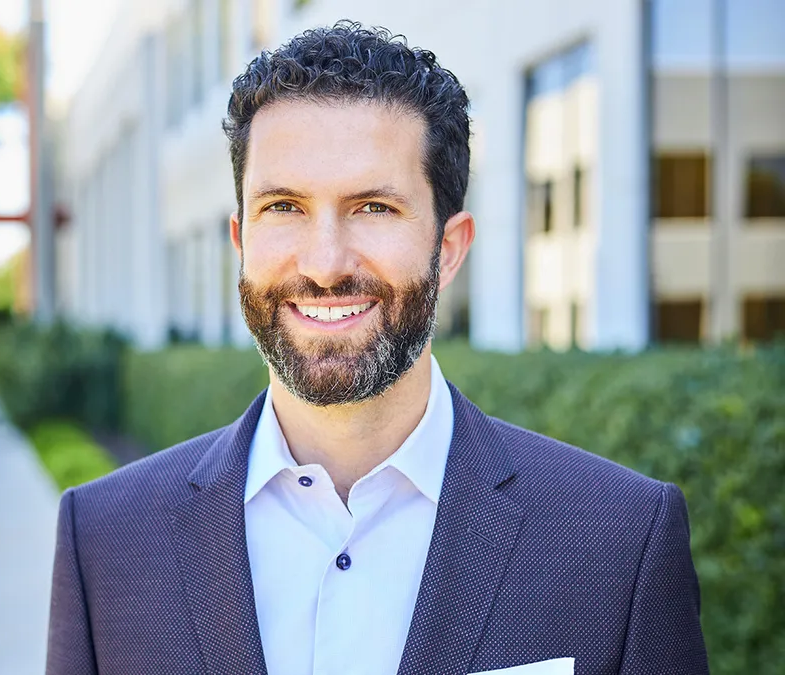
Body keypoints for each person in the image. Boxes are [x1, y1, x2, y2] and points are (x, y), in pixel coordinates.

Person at [45, 20, 708, 675]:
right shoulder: (105, 540)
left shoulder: (618, 541)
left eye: (373, 208)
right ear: (241, 240)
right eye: (283, 207)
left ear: (447, 250)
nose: (326, 263)